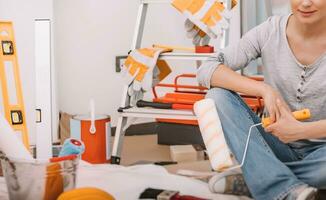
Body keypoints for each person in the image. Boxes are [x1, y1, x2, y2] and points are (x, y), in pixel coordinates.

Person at [197, 0, 326, 199]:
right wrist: (263, 89)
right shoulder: (269, 31)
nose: (306, 3)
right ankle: (275, 182)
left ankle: (260, 178)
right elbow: (207, 69)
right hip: (274, 146)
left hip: (321, 155)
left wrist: (301, 131)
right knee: (217, 96)